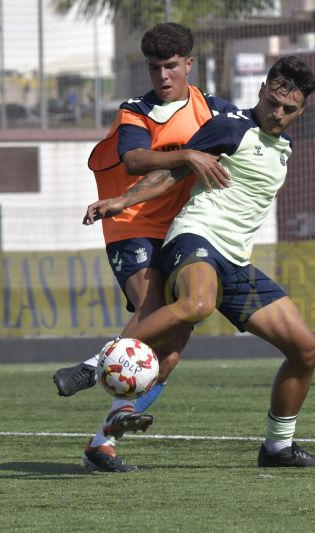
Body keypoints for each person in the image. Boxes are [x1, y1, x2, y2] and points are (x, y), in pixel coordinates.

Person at [86, 56, 315, 468]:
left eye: (289, 109)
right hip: (195, 239)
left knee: (307, 350)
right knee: (196, 306)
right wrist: (122, 200)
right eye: (273, 102)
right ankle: (97, 363)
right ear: (262, 90)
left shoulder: (283, 148)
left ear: (301, 111)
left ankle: (278, 447)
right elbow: (175, 172)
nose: (278, 113)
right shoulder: (231, 125)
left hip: (236, 263)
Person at [52, 22, 237, 473]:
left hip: (180, 230)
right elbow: (134, 160)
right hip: (130, 223)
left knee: (175, 340)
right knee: (154, 306)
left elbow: (247, 135)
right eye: (155, 68)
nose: (163, 76)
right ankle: (96, 365)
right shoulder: (135, 110)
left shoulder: (213, 109)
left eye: (171, 66)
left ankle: (103, 442)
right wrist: (188, 155)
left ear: (188, 64)